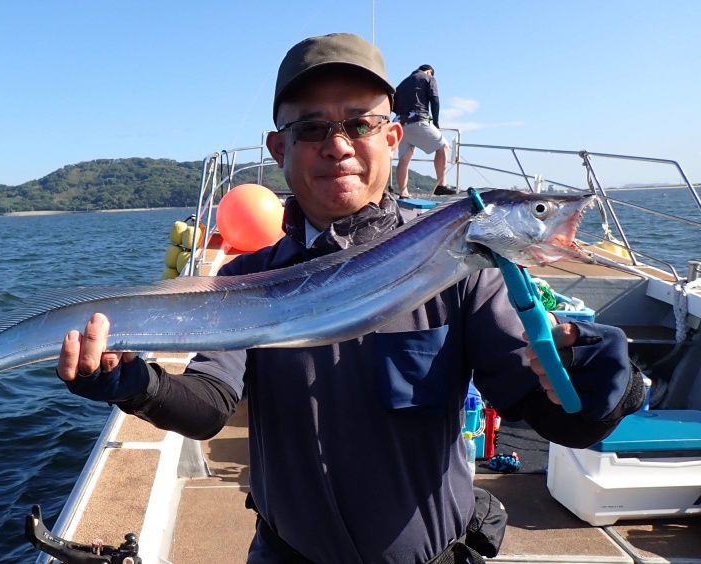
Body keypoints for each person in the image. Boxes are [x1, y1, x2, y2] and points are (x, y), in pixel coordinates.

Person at [56, 33, 642, 563]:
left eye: (359, 124)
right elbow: (209, 406)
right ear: (279, 149)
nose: (337, 145)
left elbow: (551, 416)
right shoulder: (247, 279)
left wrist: (603, 380)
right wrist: (134, 384)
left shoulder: (465, 270)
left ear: (392, 137)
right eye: (311, 128)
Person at [394, 64, 454, 197]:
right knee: (443, 146)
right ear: (429, 71)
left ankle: (403, 193)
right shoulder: (428, 78)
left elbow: (393, 105)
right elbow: (435, 100)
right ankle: (442, 185)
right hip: (417, 120)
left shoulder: (402, 84)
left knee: (404, 159)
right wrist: (436, 123)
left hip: (399, 125)